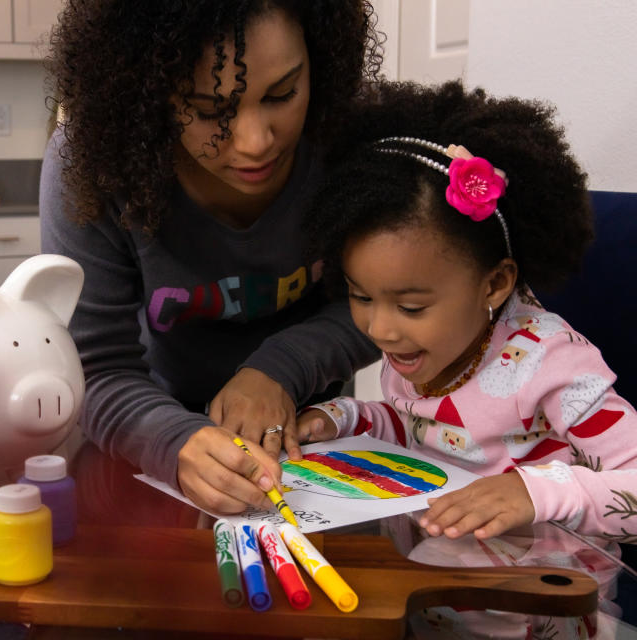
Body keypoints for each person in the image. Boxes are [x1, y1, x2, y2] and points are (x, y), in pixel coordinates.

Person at [40, 0, 382, 514]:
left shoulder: (350, 136)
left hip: (312, 443)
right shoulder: (92, 163)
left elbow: (393, 302)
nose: (255, 142)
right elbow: (92, 369)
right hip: (146, 437)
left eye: (284, 94)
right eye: (207, 110)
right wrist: (176, 440)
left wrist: (281, 368)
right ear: (147, 93)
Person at [297, 80, 637, 544]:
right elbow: (426, 430)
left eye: (411, 306)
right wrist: (349, 418)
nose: (379, 329)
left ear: (494, 283)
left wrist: (534, 492)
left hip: (542, 604)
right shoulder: (425, 348)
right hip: (440, 590)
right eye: (360, 296)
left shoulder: (552, 364)